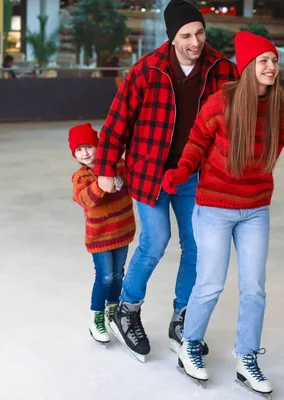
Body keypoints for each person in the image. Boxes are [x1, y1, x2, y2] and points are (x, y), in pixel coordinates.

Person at [162, 32, 284, 394]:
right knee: (210, 283)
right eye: (264, 61)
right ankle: (189, 345)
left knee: (254, 289)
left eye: (274, 60)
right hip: (214, 207)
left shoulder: (282, 107)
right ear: (248, 66)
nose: (272, 67)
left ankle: (247, 356)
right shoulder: (221, 103)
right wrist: (180, 171)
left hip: (255, 210)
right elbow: (196, 143)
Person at [93, 0, 238, 361]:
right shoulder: (147, 71)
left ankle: (182, 318)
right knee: (155, 241)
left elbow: (246, 110)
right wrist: (106, 169)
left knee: (197, 247)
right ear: (172, 37)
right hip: (150, 174)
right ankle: (127, 310)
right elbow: (116, 125)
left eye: (200, 33)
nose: (195, 41)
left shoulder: (222, 69)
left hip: (195, 176)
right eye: (186, 35)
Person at [69, 123, 136, 345]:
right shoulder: (81, 176)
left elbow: (130, 184)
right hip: (99, 237)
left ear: (99, 146)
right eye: (79, 150)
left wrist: (120, 179)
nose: (85, 153)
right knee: (105, 276)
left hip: (122, 230)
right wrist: (102, 183)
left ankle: (112, 311)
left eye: (88, 146)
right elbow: (85, 199)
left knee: (118, 274)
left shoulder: (118, 165)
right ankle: (96, 316)